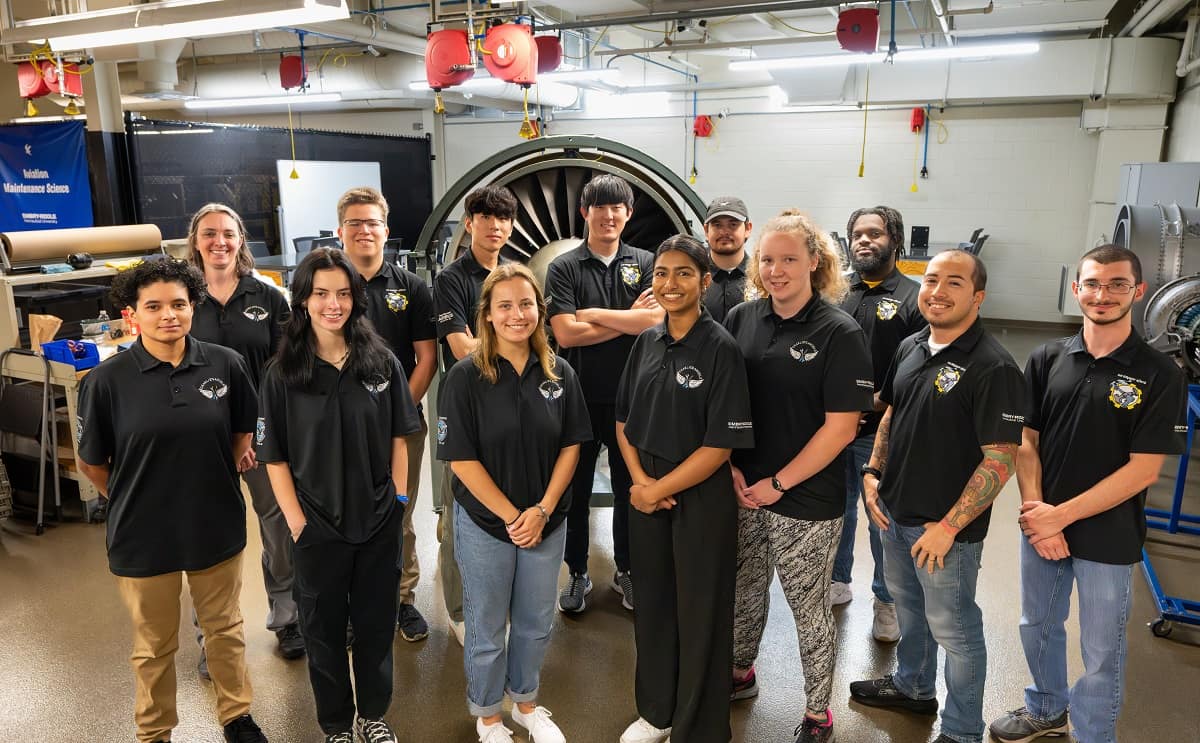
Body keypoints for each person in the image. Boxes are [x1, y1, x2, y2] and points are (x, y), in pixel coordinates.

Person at [989, 245, 1186, 743]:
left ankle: (1095, 735)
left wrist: (1061, 517)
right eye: (1092, 283)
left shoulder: (1160, 374)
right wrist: (1037, 512)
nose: (1103, 295)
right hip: (1043, 524)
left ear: (1138, 292)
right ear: (1076, 289)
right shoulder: (1047, 357)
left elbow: (1143, 471)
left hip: (1109, 533)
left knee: (1101, 649)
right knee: (1037, 625)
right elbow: (1025, 441)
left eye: (1117, 284)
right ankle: (1047, 710)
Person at [76, 259, 268, 743]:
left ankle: (236, 716)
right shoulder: (105, 382)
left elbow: (243, 428)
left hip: (214, 522)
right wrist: (129, 497)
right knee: (154, 644)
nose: (169, 315)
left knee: (224, 630)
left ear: (193, 306)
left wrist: (220, 469)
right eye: (154, 306)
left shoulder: (226, 363)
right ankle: (154, 731)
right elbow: (93, 463)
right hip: (143, 534)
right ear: (132, 314)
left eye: (179, 304)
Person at [849, 249, 1026, 743]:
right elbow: (891, 412)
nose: (938, 292)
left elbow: (1000, 459)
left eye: (954, 283)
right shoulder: (911, 346)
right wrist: (872, 471)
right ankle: (913, 686)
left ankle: (963, 729)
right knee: (910, 611)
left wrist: (948, 527)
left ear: (978, 296)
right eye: (930, 280)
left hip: (945, 530)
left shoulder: (993, 367)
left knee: (957, 631)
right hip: (895, 512)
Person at [256, 248, 421, 743]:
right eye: (322, 293)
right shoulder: (283, 373)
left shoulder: (382, 362)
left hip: (376, 519)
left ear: (356, 298)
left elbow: (399, 438)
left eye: (344, 293)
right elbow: (275, 458)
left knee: (374, 628)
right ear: (302, 299)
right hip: (317, 525)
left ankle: (372, 716)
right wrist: (298, 523)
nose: (334, 304)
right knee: (323, 635)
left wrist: (396, 504)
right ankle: (335, 726)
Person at [724, 211, 873, 743]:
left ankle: (817, 713)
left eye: (789, 259)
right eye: (767, 259)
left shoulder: (839, 331)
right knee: (744, 591)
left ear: (815, 261)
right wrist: (736, 470)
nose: (777, 270)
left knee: (807, 606)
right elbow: (726, 402)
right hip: (743, 487)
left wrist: (779, 484)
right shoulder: (742, 318)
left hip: (805, 496)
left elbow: (840, 430)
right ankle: (740, 673)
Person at [438, 263, 591, 743]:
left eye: (526, 304)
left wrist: (542, 510)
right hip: (486, 524)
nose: (516, 314)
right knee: (486, 625)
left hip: (546, 522)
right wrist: (512, 516)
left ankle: (525, 703)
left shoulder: (559, 372)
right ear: (486, 315)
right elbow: (460, 459)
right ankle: (487, 715)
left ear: (540, 312)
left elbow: (572, 445)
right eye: (504, 305)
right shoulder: (465, 378)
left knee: (535, 622)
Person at [615, 235, 754, 743]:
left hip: (698, 495)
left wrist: (659, 489)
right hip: (646, 490)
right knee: (653, 606)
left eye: (682, 273)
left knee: (700, 613)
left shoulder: (721, 349)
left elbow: (720, 446)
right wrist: (640, 483)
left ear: (705, 281)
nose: (669, 284)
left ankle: (698, 727)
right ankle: (656, 712)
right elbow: (623, 420)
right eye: (660, 274)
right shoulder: (646, 342)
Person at [186, 203, 302, 666]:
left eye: (229, 234)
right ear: (195, 240)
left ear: (241, 240)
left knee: (278, 526)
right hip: (201, 438)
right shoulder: (183, 298)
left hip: (260, 434)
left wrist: (259, 430)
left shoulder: (268, 296)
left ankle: (288, 617)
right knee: (208, 535)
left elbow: (287, 369)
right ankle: (212, 637)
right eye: (210, 234)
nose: (220, 242)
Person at [546, 173, 661, 614]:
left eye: (617, 208)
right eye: (600, 207)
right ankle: (576, 573)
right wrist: (623, 318)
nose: (609, 215)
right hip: (576, 397)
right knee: (572, 490)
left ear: (628, 214)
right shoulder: (564, 267)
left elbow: (653, 322)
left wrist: (591, 314)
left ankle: (626, 570)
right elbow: (566, 336)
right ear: (585, 213)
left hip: (633, 397)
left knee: (632, 486)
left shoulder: (647, 262)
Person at [336, 187, 437, 642]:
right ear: (340, 231)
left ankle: (401, 600)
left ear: (386, 230)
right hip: (338, 426)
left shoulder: (411, 288)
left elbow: (427, 359)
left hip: (401, 426)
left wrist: (397, 413)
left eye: (372, 222)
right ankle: (357, 605)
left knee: (397, 512)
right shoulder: (325, 287)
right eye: (354, 223)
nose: (364, 231)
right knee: (346, 512)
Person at [831, 206, 923, 643]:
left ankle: (887, 601)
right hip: (833, 429)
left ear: (895, 241)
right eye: (857, 234)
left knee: (880, 520)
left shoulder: (914, 297)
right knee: (838, 508)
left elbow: (921, 372)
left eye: (875, 234)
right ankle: (837, 579)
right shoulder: (835, 292)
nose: (864, 241)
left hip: (882, 433)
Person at [433, 183, 517, 644]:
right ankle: (461, 609)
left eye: (503, 220)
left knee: (504, 502)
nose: (496, 227)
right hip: (466, 407)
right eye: (487, 219)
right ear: (470, 224)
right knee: (459, 509)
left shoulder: (512, 274)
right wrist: (512, 343)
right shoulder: (452, 279)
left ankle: (496, 603)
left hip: (509, 407)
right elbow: (462, 348)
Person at [702, 196, 753, 323]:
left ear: (748, 229)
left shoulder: (762, 279)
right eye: (717, 225)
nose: (724, 232)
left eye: (733, 225)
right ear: (706, 230)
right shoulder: (694, 277)